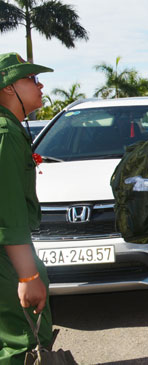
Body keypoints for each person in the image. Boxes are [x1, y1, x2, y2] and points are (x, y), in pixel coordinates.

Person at [0, 52, 53, 363]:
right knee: (23, 342)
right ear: (9, 87)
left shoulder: (11, 130)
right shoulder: (5, 133)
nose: (40, 84)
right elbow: (7, 209)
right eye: (31, 79)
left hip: (11, 255)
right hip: (9, 260)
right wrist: (27, 277)